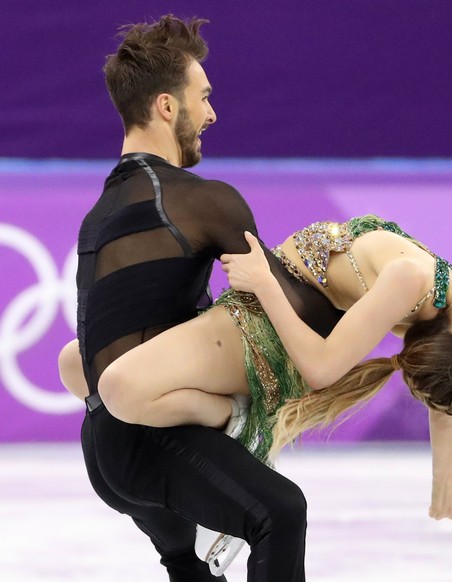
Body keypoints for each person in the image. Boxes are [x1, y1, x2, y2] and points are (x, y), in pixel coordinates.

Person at [70, 14, 345, 582]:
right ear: (168, 108)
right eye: (204, 97)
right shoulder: (202, 201)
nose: (213, 114)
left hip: (101, 445)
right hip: (151, 444)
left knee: (190, 566)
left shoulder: (98, 215)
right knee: (279, 512)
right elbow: (294, 310)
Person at [61, 214, 452, 531]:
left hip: (266, 331)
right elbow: (451, 388)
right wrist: (444, 482)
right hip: (254, 313)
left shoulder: (414, 283)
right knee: (74, 364)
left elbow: (324, 368)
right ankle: (214, 439)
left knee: (120, 388)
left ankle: (236, 418)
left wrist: (265, 284)